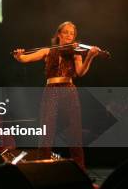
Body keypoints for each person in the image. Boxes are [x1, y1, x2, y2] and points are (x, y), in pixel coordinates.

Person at [13, 21, 100, 170]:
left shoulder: (76, 53)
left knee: (75, 131)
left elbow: (80, 72)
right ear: (59, 34)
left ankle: (80, 169)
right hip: (51, 90)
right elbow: (26, 59)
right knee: (47, 130)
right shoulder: (48, 51)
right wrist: (19, 56)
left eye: (72, 33)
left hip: (69, 90)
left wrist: (90, 56)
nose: (69, 35)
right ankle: (42, 169)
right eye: (66, 32)